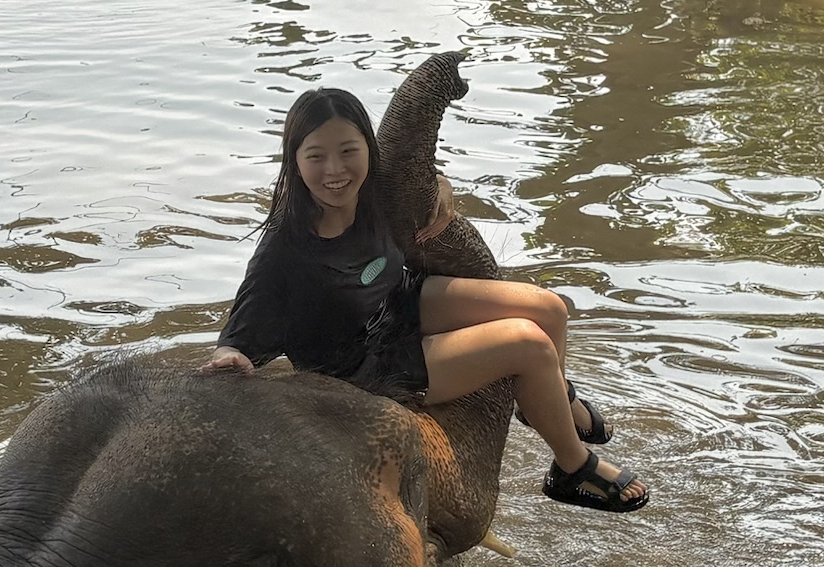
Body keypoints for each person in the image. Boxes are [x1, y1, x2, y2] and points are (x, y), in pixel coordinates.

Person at [200, 87, 649, 512]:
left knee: (548, 308)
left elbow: (423, 183)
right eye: (316, 156)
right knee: (528, 343)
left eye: (348, 152)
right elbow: (242, 326)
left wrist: (441, 184)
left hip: (402, 301)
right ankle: (570, 468)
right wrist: (229, 355)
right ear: (295, 162)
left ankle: (552, 402)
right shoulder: (285, 244)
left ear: (368, 151)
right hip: (363, 365)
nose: (335, 171)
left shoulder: (375, 192)